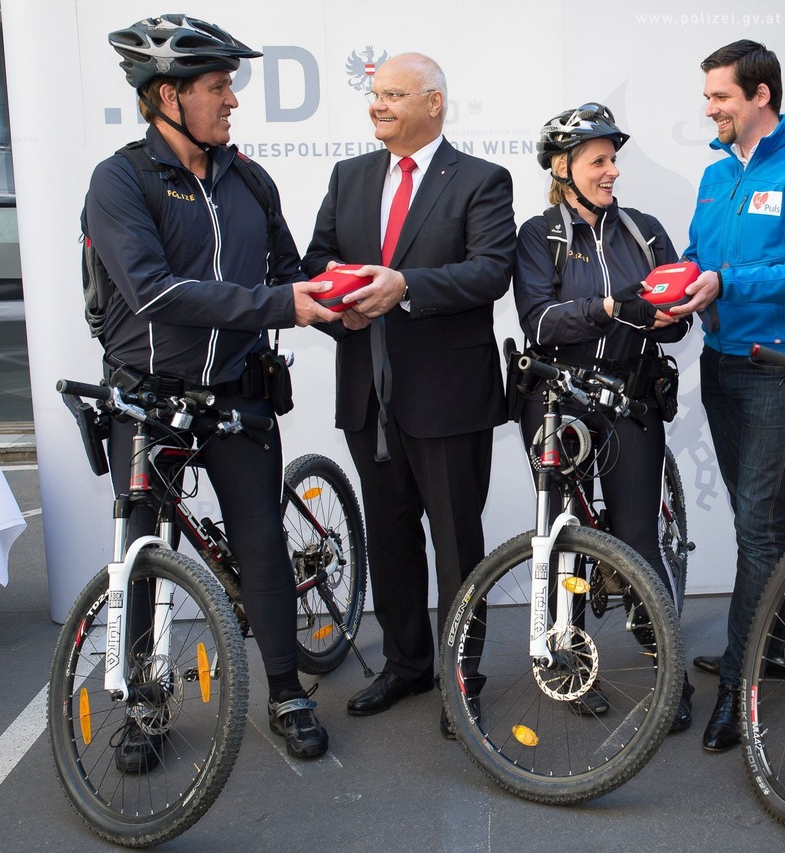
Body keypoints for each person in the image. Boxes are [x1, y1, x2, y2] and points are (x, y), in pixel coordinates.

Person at [87, 14, 340, 763]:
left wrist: (343, 302)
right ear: (169, 95)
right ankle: (141, 703)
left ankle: (288, 690)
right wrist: (280, 304)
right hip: (148, 397)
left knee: (261, 538)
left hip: (235, 389)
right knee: (141, 550)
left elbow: (288, 276)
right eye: (218, 87)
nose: (232, 101)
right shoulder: (121, 180)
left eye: (230, 86)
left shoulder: (247, 179)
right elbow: (155, 294)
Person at [301, 53, 515, 738]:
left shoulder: (481, 180)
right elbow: (316, 259)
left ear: (434, 103)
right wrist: (342, 302)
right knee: (390, 537)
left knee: (456, 543)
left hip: (448, 395)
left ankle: (461, 679)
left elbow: (489, 271)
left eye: (393, 94)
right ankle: (405, 663)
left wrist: (407, 287)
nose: (377, 105)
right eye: (374, 94)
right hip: (369, 389)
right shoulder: (349, 176)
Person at [667, 40, 785, 752]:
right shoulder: (717, 175)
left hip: (781, 367)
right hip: (720, 362)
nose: (709, 108)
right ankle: (771, 643)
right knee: (761, 515)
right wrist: (678, 286)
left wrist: (727, 282)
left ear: (760, 96)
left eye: (719, 97)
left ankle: (738, 684)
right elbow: (699, 257)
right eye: (709, 96)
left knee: (756, 524)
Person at [514, 103, 695, 729]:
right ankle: (564, 662)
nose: (612, 170)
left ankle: (666, 667)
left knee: (638, 539)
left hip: (631, 397)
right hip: (559, 396)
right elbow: (538, 320)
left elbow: (677, 317)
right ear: (563, 168)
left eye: (614, 158)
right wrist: (613, 307)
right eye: (599, 160)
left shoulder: (643, 231)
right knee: (561, 535)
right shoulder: (540, 236)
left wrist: (669, 315)